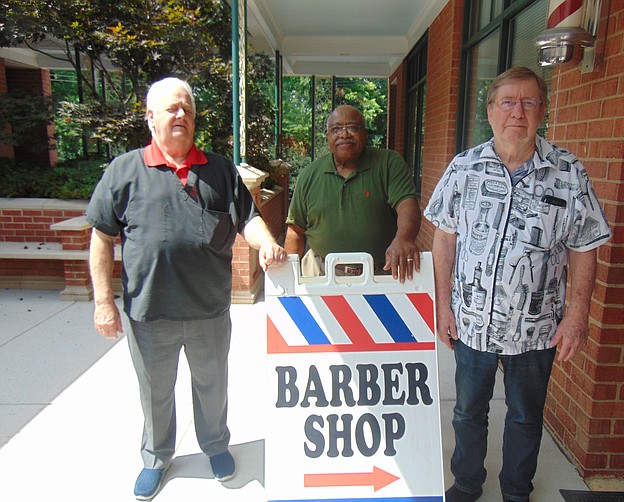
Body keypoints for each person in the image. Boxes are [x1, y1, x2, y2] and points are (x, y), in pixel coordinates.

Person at [86, 77, 286, 500]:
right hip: (149, 312)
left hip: (208, 311)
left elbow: (246, 218)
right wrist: (104, 302)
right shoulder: (124, 171)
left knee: (212, 385)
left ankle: (215, 445)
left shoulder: (218, 169)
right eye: (171, 108)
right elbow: (101, 237)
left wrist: (266, 240)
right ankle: (156, 457)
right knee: (155, 392)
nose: (181, 115)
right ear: (150, 117)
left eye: (187, 110)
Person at [424, 67, 611, 502]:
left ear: (543, 111)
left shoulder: (569, 173)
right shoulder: (464, 168)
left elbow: (585, 247)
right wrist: (443, 306)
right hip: (472, 321)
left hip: (537, 328)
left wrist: (578, 315)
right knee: (468, 413)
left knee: (525, 417)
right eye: (508, 102)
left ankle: (516, 492)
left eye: (529, 102)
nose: (518, 112)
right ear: (490, 111)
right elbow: (444, 241)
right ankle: (468, 484)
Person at [285, 105, 421, 282]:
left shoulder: (388, 163)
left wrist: (405, 238)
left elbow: (407, 204)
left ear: (364, 134)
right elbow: (295, 230)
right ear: (328, 137)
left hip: (380, 276)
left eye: (352, 127)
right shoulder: (309, 175)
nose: (344, 134)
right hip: (320, 273)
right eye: (336, 129)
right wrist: (288, 280)